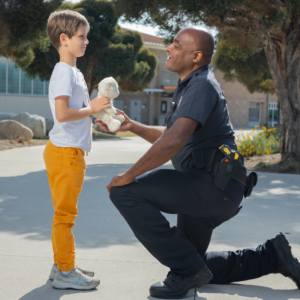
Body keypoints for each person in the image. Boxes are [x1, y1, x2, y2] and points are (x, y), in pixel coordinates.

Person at [98, 27, 300, 299]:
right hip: (215, 186)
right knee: (194, 262)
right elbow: (169, 136)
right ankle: (271, 256)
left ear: (195, 56)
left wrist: (128, 174)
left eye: (176, 45)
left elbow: (174, 141)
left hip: (211, 187)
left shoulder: (202, 84)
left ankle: (188, 270)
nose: (168, 48)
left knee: (125, 192)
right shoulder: (191, 85)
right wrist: (131, 125)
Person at [43, 10, 110, 290]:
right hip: (65, 153)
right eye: (82, 37)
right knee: (65, 216)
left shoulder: (74, 72)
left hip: (68, 151)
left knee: (64, 213)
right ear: (64, 38)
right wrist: (91, 108)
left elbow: (76, 112)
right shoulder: (63, 72)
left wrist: (96, 116)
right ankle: (66, 272)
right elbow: (62, 113)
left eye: (86, 37)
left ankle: (61, 265)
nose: (86, 42)